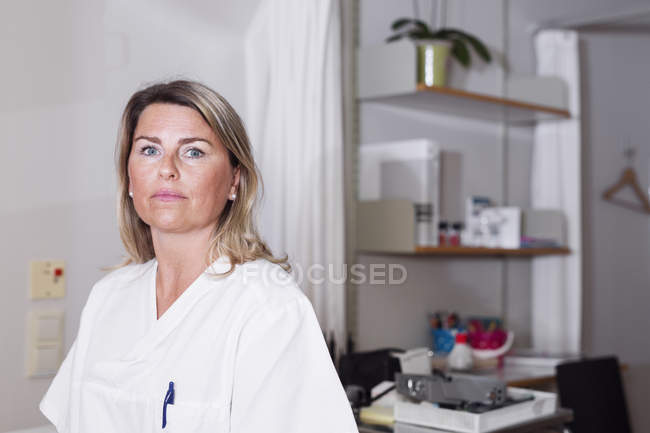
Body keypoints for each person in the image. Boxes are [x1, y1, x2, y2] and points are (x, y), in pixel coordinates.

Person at [39, 80, 357, 433]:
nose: (167, 169)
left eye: (193, 152)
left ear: (234, 180)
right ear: (128, 178)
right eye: (149, 150)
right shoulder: (108, 296)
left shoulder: (268, 308)